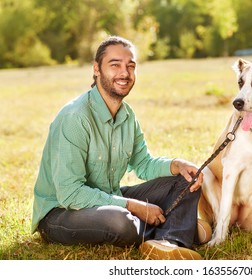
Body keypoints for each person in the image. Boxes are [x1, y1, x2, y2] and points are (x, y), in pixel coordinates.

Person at [31, 35, 207, 260]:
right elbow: (70, 194)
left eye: (130, 66)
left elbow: (143, 164)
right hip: (61, 213)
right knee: (120, 221)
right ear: (96, 69)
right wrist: (132, 206)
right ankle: (184, 227)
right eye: (115, 65)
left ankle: (169, 242)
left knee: (187, 181)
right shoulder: (75, 117)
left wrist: (176, 165)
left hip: (107, 197)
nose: (124, 73)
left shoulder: (127, 115)